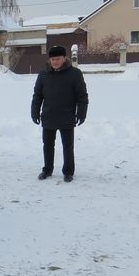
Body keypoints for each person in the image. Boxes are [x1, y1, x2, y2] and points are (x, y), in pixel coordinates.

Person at [31, 45, 89, 182]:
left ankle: (68, 171)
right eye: (53, 59)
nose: (55, 62)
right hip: (48, 115)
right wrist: (34, 112)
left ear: (64, 58)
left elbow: (82, 96)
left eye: (58, 59)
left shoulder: (75, 73)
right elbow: (37, 95)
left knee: (68, 146)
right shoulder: (43, 74)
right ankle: (47, 170)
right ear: (49, 60)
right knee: (47, 145)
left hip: (67, 116)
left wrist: (81, 113)